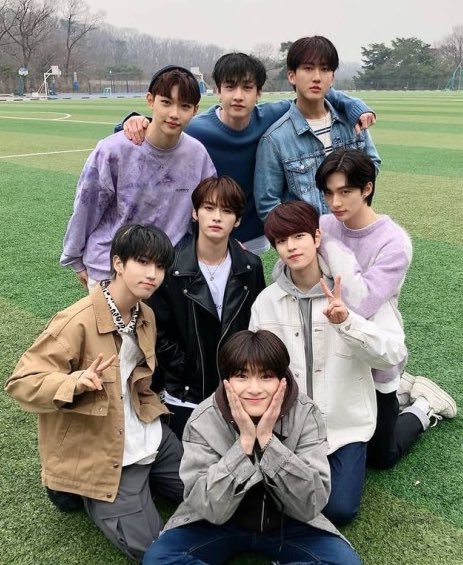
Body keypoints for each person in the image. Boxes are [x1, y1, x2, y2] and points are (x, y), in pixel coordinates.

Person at [6, 225, 184, 562]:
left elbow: (137, 378)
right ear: (118, 263)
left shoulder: (145, 314)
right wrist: (73, 383)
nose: (152, 274)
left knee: (212, 496)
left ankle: (133, 485)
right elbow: (22, 382)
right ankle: (79, 489)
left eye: (160, 266)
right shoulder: (76, 321)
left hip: (146, 431)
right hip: (101, 447)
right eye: (143, 262)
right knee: (154, 551)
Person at [143, 330, 362, 565]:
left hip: (289, 522)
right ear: (227, 380)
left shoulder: (306, 414)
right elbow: (210, 508)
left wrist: (268, 442)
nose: (254, 388)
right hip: (218, 524)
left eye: (266, 376)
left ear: (282, 379)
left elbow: (310, 504)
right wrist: (244, 443)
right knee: (158, 559)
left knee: (345, 563)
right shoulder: (204, 419)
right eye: (242, 376)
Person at [249, 201, 407, 526]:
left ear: (317, 237)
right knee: (272, 499)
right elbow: (257, 366)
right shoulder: (267, 302)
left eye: (299, 236)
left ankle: (419, 409)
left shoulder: (355, 292)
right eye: (282, 240)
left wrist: (347, 322)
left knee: (339, 510)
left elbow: (392, 353)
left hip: (345, 424)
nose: (291, 246)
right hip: (291, 425)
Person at [120, 53, 376, 254]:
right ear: (218, 90)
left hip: (254, 235)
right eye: (230, 87)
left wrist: (357, 107)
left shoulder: (273, 116)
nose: (238, 96)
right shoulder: (197, 129)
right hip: (206, 232)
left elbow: (315, 94)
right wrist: (132, 120)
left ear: (259, 93)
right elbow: (157, 130)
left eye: (247, 88)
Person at [314, 148, 457, 469]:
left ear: (367, 189)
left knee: (381, 457)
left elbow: (361, 303)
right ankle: (404, 390)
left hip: (375, 352)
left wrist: (331, 250)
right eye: (328, 193)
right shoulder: (324, 224)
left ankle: (423, 405)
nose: (335, 202)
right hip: (332, 350)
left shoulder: (394, 242)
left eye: (345, 192)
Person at [60, 66, 216, 288]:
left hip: (166, 271)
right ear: (150, 100)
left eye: (184, 106)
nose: (174, 113)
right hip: (111, 267)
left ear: (195, 110)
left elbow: (209, 209)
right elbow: (87, 205)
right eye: (166, 102)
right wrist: (75, 258)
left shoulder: (197, 154)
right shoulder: (113, 150)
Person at [148, 176, 266, 438]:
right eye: (209, 208)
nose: (217, 217)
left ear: (237, 220)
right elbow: (157, 330)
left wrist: (243, 374)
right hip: (185, 392)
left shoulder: (250, 266)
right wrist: (185, 368)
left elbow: (256, 326)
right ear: (195, 213)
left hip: (237, 389)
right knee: (184, 459)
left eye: (227, 211)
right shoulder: (171, 268)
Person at [254, 36, 381, 222]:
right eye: (308, 68)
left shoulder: (350, 122)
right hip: (310, 235)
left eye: (325, 69)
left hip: (354, 229)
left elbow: (372, 163)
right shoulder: (275, 139)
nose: (317, 77)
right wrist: (299, 235)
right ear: (291, 76)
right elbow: (268, 204)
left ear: (332, 77)